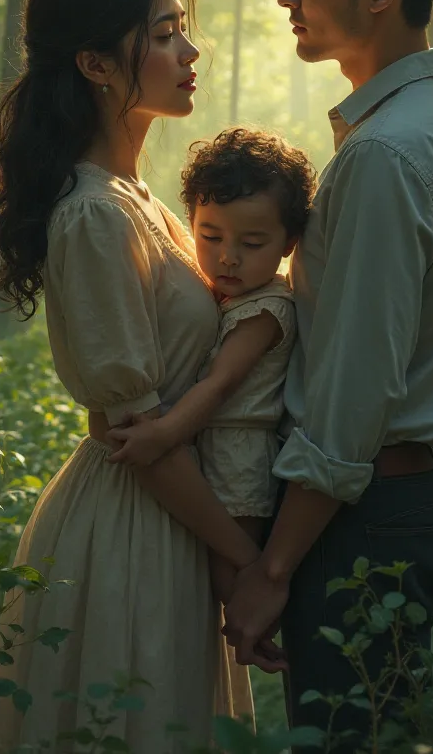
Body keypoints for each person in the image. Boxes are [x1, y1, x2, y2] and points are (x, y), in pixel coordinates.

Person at [222, 0, 433, 750]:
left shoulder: (387, 158)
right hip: (397, 509)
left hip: (361, 520)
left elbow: (352, 398)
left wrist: (272, 568)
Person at [0, 0, 259, 753]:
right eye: (166, 34)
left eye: (184, 30)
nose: (190, 51)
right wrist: (246, 563)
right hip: (135, 531)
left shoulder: (139, 199)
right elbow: (137, 435)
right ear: (97, 62)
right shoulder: (95, 217)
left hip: (173, 521)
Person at [106, 128, 315, 606]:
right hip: (205, 444)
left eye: (253, 243)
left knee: (228, 580)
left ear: (289, 242)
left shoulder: (267, 308)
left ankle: (257, 646)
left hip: (238, 450)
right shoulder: (223, 293)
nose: (227, 256)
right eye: (211, 235)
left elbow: (221, 384)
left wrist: (164, 433)